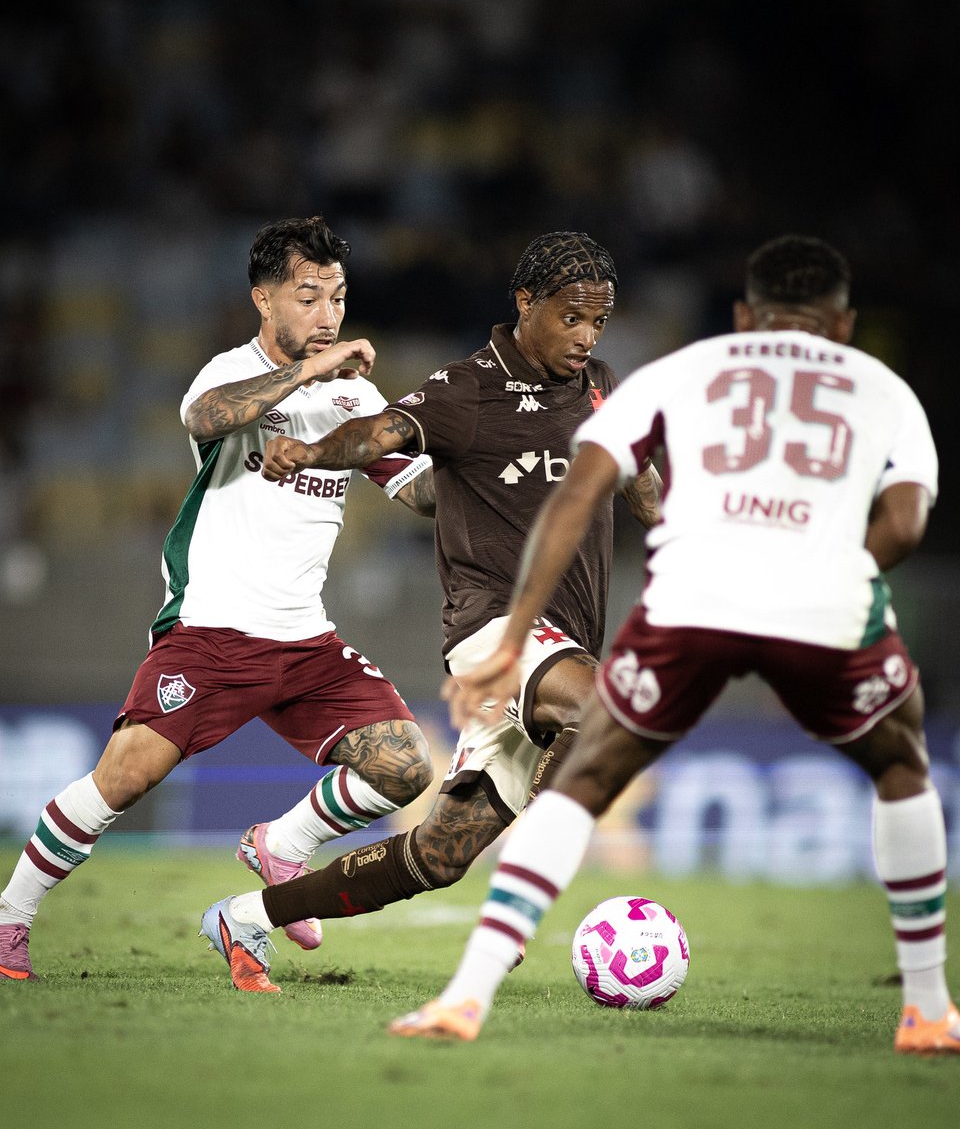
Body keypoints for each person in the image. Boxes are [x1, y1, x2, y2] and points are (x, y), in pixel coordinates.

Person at [386, 233, 958, 1055]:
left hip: (696, 597)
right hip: (822, 598)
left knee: (585, 778)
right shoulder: (884, 390)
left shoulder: (680, 372)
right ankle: (928, 1009)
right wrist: (832, 577)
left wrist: (512, 637)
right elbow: (903, 523)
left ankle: (465, 997)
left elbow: (575, 499)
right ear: (843, 325)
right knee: (902, 766)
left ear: (744, 316)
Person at [198, 230, 663, 992]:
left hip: (563, 644)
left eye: (598, 322)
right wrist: (309, 452)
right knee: (607, 709)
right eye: (572, 318)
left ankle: (246, 915)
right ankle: (518, 900)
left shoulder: (601, 387)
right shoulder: (466, 389)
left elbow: (643, 486)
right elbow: (378, 433)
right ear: (526, 303)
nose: (586, 337)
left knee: (440, 855)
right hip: (494, 629)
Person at [0, 215, 437, 989]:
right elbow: (207, 419)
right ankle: (12, 917)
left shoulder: (355, 396)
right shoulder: (228, 373)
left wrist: (489, 459)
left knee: (403, 765)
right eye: (309, 296)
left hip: (305, 642)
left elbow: (421, 493)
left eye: (338, 296)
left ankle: (283, 845)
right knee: (123, 779)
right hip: (213, 635)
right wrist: (310, 370)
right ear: (264, 300)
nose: (329, 314)